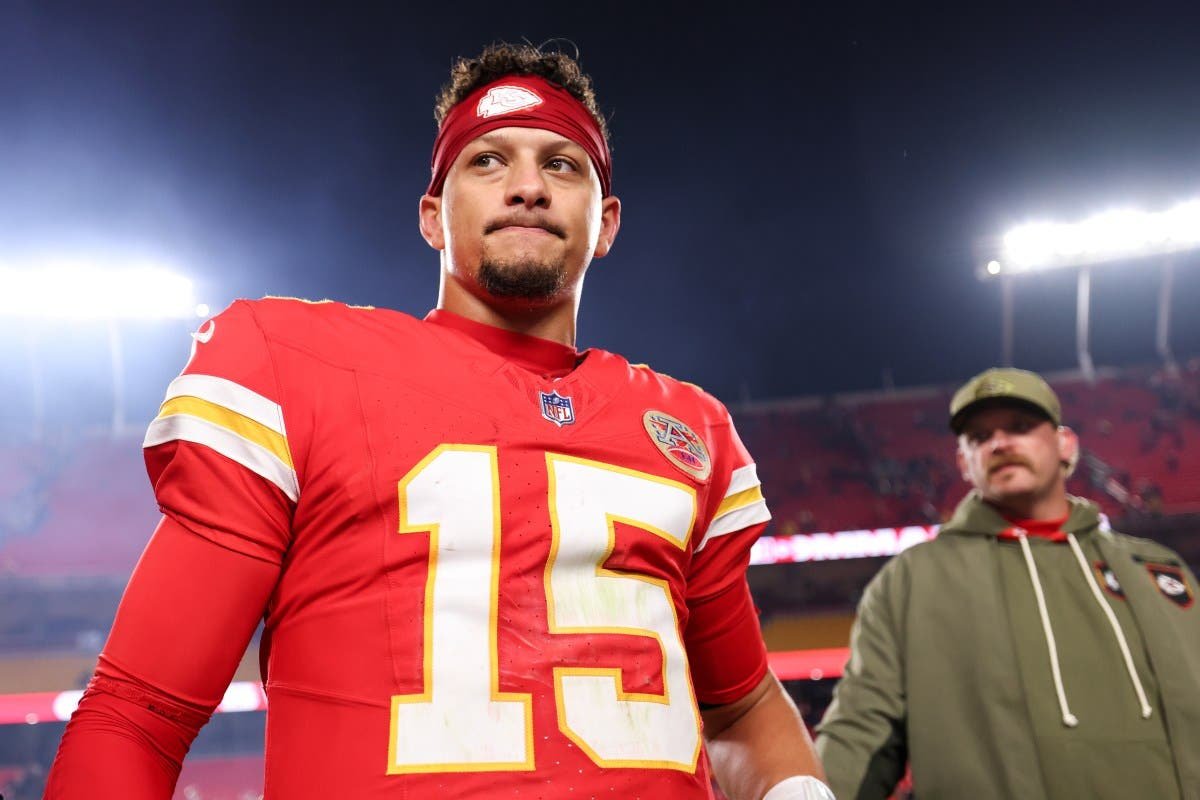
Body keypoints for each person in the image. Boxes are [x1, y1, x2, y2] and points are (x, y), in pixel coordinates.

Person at [45, 43, 831, 800]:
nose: (528, 187)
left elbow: (741, 706)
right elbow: (136, 714)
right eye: (488, 161)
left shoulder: (686, 430)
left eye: (562, 164)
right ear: (431, 216)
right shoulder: (296, 369)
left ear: (608, 222)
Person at [816, 367, 1200, 799]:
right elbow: (862, 730)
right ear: (964, 463)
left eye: (1020, 427)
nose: (999, 444)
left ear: (1065, 445)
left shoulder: (1156, 569)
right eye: (980, 437)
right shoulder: (912, 581)